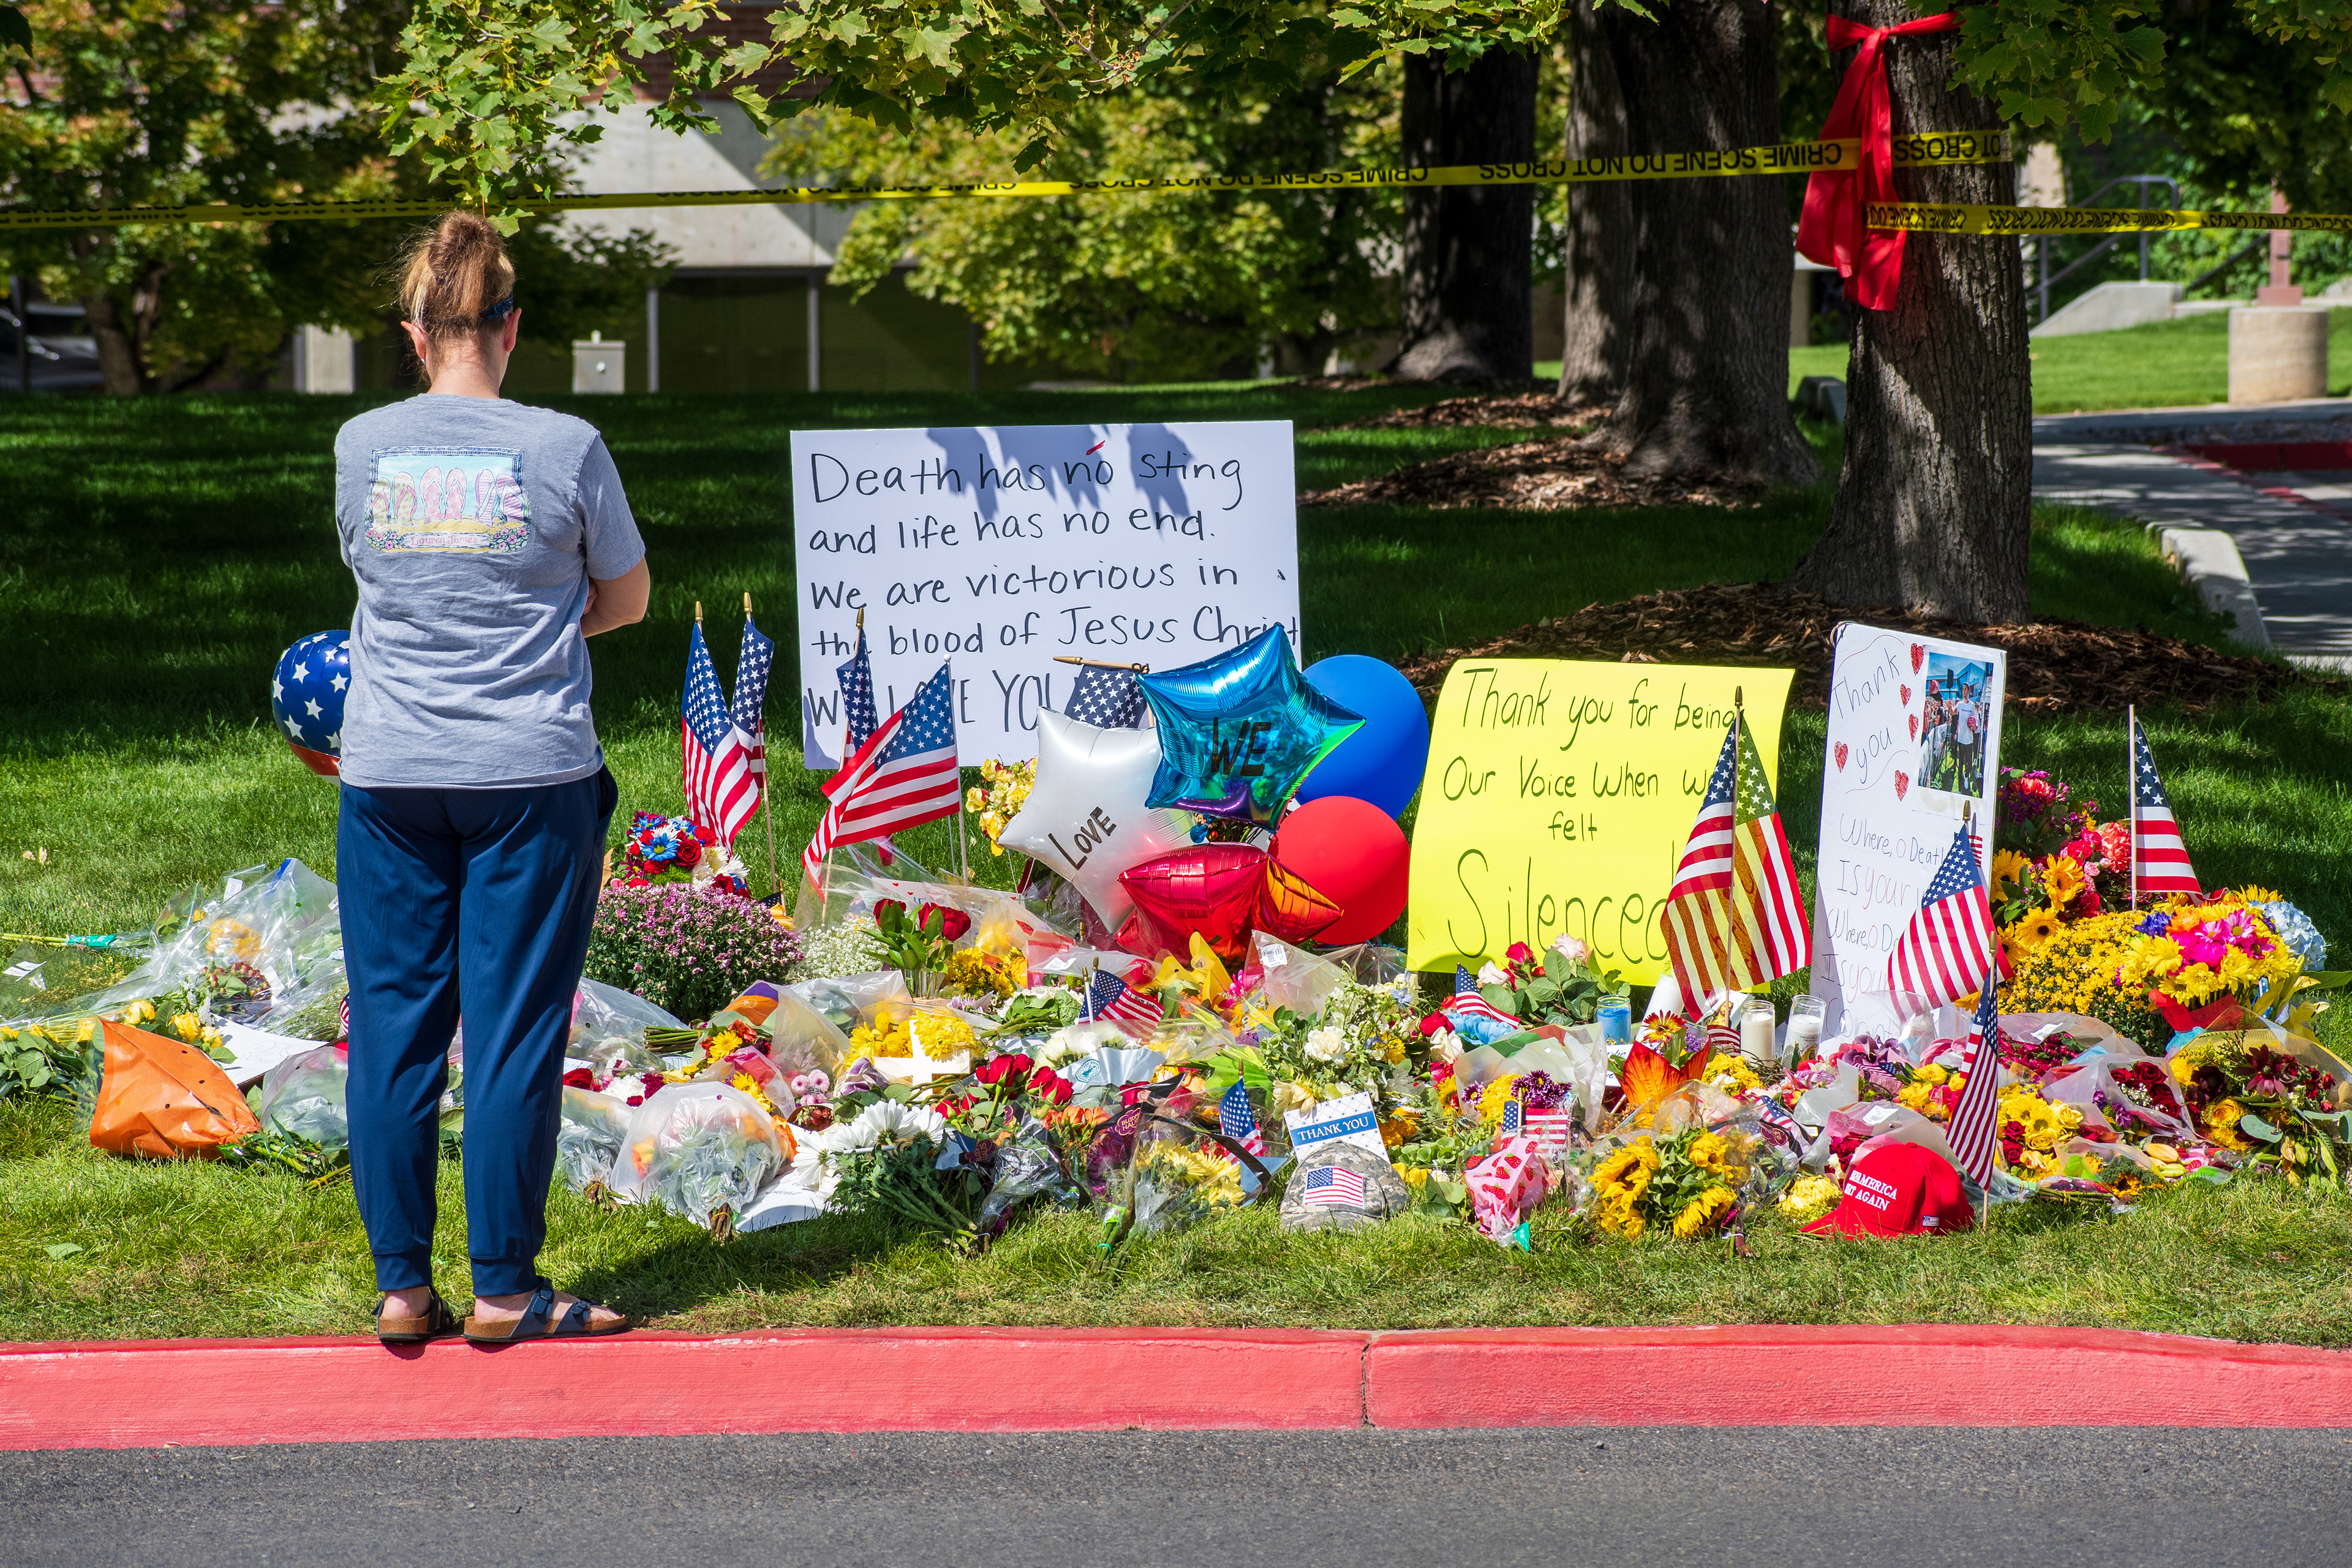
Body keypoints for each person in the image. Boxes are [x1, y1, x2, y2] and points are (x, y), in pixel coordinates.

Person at [334, 211, 651, 1345]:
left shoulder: (362, 445)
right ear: (510, 328)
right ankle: (507, 1290)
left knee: (393, 1029)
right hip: (531, 770)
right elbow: (627, 601)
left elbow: (376, 584)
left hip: (388, 772)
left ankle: (400, 1287)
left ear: (416, 334)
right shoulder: (566, 447)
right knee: (514, 1031)